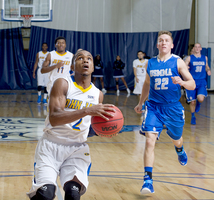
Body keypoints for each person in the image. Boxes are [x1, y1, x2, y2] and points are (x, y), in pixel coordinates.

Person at [27, 50, 115, 200]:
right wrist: (87, 110)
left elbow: (87, 128)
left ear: (93, 67)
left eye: (89, 59)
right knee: (45, 195)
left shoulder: (98, 94)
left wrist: (105, 129)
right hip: (51, 145)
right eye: (80, 58)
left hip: (77, 148)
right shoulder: (62, 84)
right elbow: (54, 118)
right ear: (72, 67)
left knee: (73, 194)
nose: (85, 61)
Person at [134, 31, 195, 194]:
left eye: (166, 40)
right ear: (157, 44)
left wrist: (182, 82)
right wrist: (141, 102)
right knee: (149, 141)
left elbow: (192, 84)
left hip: (173, 108)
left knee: (176, 139)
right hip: (153, 107)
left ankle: (180, 150)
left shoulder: (177, 62)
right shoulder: (151, 63)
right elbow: (147, 84)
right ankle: (148, 181)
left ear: (171, 45)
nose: (163, 42)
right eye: (160, 40)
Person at [185, 43, 211, 125]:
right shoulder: (189, 58)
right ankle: (193, 116)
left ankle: (199, 103)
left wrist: (208, 70)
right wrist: (186, 67)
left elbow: (206, 66)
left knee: (200, 99)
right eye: (195, 47)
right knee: (192, 102)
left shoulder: (204, 58)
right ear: (194, 48)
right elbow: (184, 66)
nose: (197, 48)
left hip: (201, 81)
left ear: (200, 49)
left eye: (198, 47)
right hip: (192, 81)